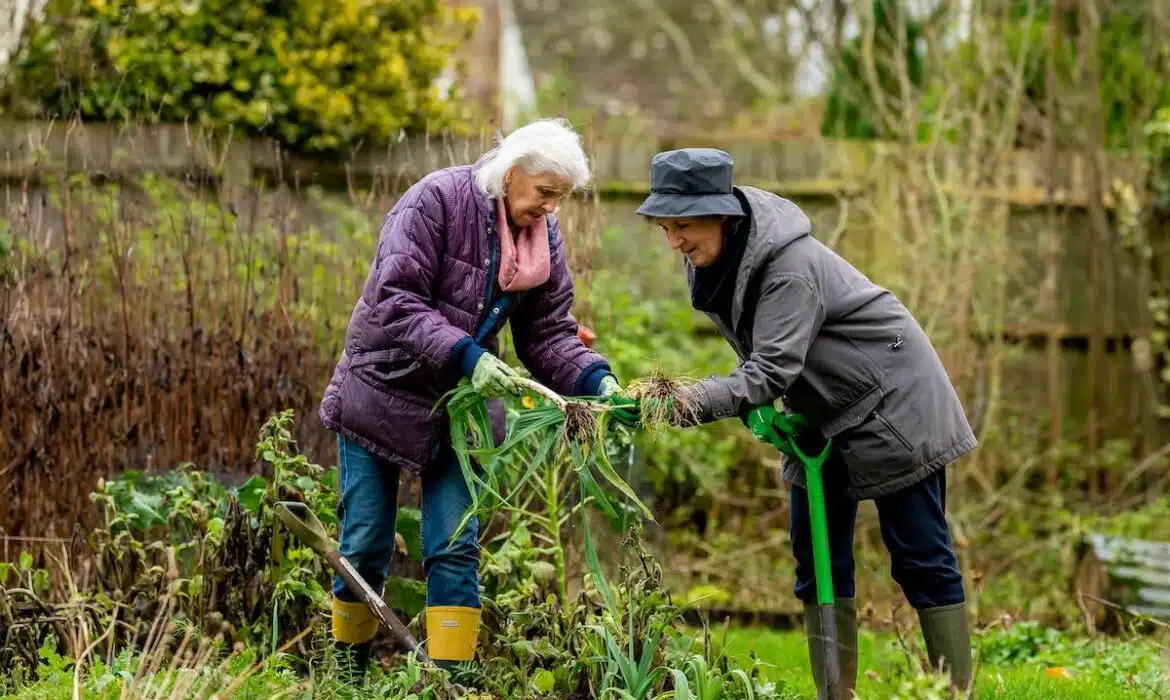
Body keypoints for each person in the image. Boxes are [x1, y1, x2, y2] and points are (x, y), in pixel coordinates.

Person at [627, 148, 977, 697]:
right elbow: (766, 360)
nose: (674, 242)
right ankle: (835, 694)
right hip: (819, 410)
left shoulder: (789, 267)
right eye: (666, 228)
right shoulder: (718, 261)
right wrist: (762, 406)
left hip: (893, 401)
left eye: (684, 226)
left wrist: (688, 400)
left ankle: (956, 693)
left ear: (723, 215)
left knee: (919, 555)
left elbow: (768, 368)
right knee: (815, 559)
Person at [317, 118, 624, 679]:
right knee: (364, 542)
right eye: (545, 194)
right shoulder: (434, 201)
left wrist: (596, 379)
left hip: (460, 407)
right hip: (382, 387)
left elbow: (548, 334)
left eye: (560, 199)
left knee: (454, 546)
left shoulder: (540, 237)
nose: (551, 210)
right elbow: (396, 298)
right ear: (510, 174)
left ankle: (447, 681)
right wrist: (470, 355)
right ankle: (348, 675)